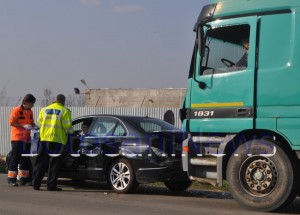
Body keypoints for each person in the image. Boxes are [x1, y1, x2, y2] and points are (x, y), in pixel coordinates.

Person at [32, 94, 73, 191]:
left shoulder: (44, 109)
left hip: (44, 139)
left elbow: (40, 123)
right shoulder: (65, 111)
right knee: (54, 164)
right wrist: (72, 132)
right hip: (57, 141)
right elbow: (67, 127)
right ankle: (51, 185)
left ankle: (36, 184)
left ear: (55, 100)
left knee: (40, 162)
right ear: (63, 101)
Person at [7, 94, 37, 186]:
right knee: (15, 158)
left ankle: (23, 179)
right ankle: (11, 179)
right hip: (17, 138)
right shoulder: (16, 110)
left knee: (25, 159)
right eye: (31, 103)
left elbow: (31, 123)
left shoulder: (30, 112)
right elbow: (11, 122)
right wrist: (22, 126)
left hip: (26, 139)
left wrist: (35, 126)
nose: (32, 105)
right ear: (25, 102)